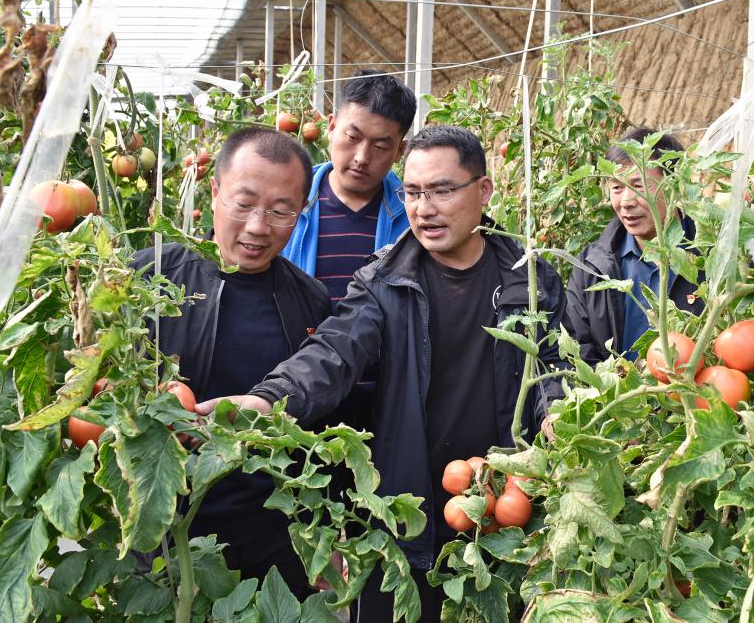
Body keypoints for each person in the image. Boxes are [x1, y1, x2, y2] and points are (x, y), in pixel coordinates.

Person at [196, 125, 567, 621]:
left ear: (483, 190)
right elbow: (333, 351)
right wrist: (268, 399)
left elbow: (554, 365)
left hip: (505, 514)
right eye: (412, 192)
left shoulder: (532, 280)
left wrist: (558, 412)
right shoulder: (385, 281)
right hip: (405, 517)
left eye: (441, 190)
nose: (424, 208)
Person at [131, 127, 332, 597]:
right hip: (166, 528)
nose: (259, 226)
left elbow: (319, 420)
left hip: (273, 533)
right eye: (244, 204)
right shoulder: (148, 277)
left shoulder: (310, 300)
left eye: (281, 211)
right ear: (215, 190)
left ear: (302, 211)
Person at [565, 127, 704, 364]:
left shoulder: (712, 258)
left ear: (672, 185)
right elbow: (578, 350)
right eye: (617, 188)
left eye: (639, 186)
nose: (626, 201)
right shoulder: (591, 268)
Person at [281, 68, 416, 307]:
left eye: (380, 147)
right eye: (353, 137)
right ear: (332, 127)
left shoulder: (413, 216)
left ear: (400, 151)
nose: (362, 158)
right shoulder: (286, 202)